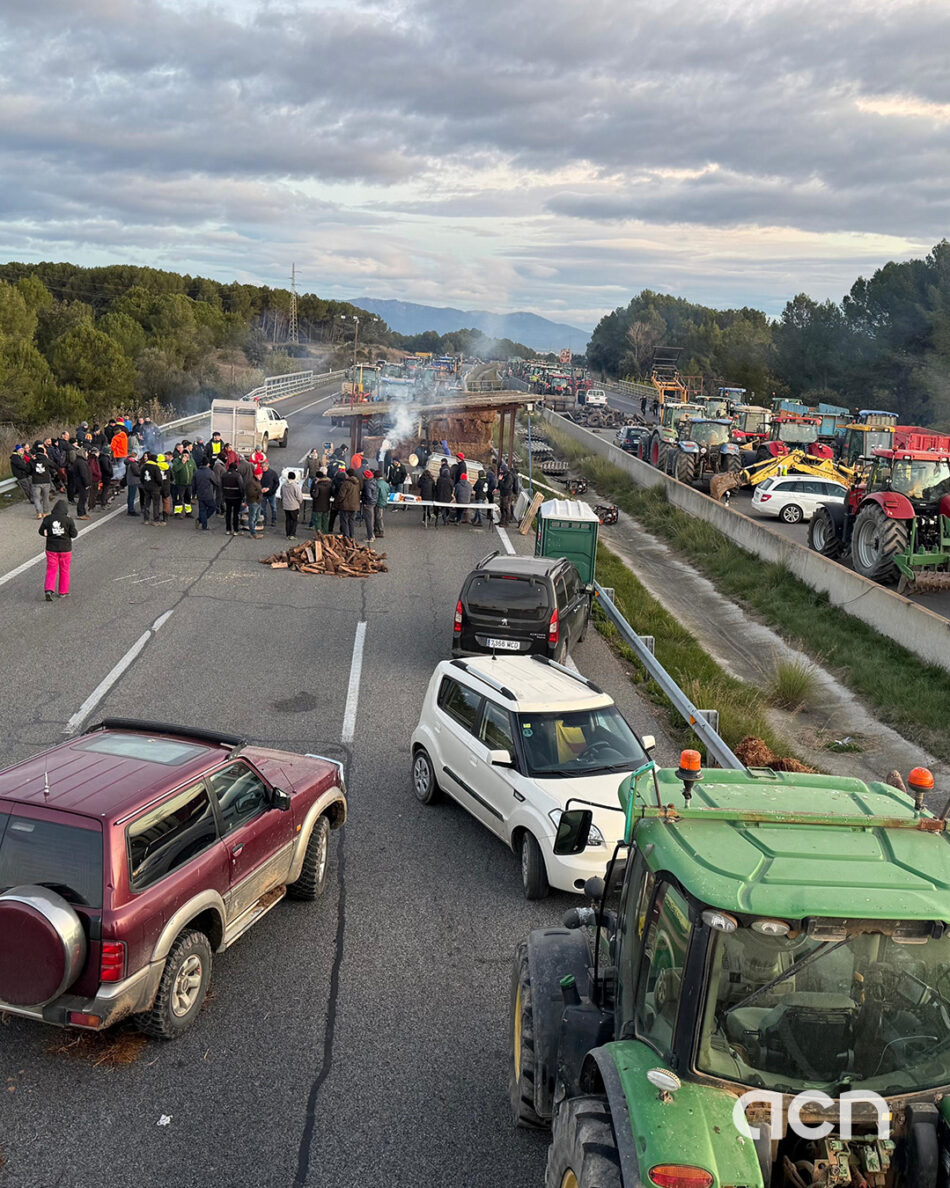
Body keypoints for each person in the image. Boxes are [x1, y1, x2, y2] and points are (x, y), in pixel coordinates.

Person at [39, 498, 77, 600]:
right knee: (64, 570)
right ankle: (63, 591)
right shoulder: (68, 520)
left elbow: (41, 531)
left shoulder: (48, 519)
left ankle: (48, 589)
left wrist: (47, 533)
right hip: (65, 549)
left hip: (51, 548)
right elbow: (74, 534)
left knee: (51, 569)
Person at [193, 458, 219, 531]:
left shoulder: (197, 472)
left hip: (200, 494)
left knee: (202, 509)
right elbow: (215, 482)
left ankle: (204, 525)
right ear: (208, 464)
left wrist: (193, 493)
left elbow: (193, 485)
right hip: (208, 494)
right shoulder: (210, 472)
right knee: (212, 507)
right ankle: (201, 520)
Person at [336, 468, 361, 540]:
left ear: (348, 475)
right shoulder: (357, 483)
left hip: (346, 505)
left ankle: (346, 536)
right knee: (351, 521)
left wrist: (337, 503)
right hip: (355, 505)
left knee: (344, 521)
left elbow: (341, 495)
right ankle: (352, 536)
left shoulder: (346, 483)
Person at [140, 452, 164, 526]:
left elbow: (141, 477)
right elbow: (159, 479)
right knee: (156, 504)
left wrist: (144, 484)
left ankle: (146, 519)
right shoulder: (155, 467)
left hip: (146, 487)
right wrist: (160, 485)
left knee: (147, 503)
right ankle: (156, 520)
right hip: (155, 488)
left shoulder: (144, 466)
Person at [30, 445, 55, 518]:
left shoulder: (32, 461)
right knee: (45, 497)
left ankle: (39, 513)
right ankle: (46, 512)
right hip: (46, 481)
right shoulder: (46, 460)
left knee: (36, 498)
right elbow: (54, 465)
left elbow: (27, 469)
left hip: (36, 481)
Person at [221, 461, 245, 536]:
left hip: (227, 496)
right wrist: (242, 496)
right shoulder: (237, 476)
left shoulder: (224, 475)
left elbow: (221, 486)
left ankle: (228, 529)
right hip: (236, 497)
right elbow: (241, 487)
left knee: (228, 513)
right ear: (235, 468)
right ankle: (235, 530)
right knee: (236, 513)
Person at [281, 471, 302, 539]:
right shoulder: (295, 486)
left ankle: (288, 534)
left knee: (288, 520)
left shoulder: (283, 485)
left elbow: (282, 494)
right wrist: (300, 502)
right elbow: (299, 497)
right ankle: (292, 534)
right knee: (294, 520)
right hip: (294, 506)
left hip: (286, 505)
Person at [74, 448, 93, 519]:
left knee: (84, 498)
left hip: (81, 482)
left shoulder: (80, 461)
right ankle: (80, 514)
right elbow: (83, 474)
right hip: (82, 483)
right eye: (86, 453)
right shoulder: (81, 462)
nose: (87, 454)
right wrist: (87, 484)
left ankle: (83, 512)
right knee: (82, 498)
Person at [360, 469, 378, 542]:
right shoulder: (373, 481)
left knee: (368, 521)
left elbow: (368, 495)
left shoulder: (367, 483)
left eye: (363, 475)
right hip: (373, 503)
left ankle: (370, 537)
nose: (361, 476)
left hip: (368, 504)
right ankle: (371, 535)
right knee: (371, 520)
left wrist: (365, 503)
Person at [245, 470, 263, 536]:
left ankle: (253, 529)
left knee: (257, 516)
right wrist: (260, 491)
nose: (261, 476)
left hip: (258, 501)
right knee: (252, 517)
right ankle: (253, 532)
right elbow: (250, 493)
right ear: (255, 475)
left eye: (261, 474)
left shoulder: (256, 481)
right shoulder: (251, 482)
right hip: (253, 501)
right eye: (259, 475)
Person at [374, 469, 390, 538]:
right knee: (379, 516)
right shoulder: (386, 484)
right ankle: (377, 530)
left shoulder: (377, 484)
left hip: (378, 502)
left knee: (378, 517)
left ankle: (380, 531)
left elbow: (376, 495)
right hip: (384, 501)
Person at [126, 452, 142, 517]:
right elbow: (137, 472)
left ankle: (130, 509)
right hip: (133, 481)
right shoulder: (133, 464)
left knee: (130, 496)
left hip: (130, 481)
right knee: (132, 496)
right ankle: (131, 510)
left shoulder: (129, 463)